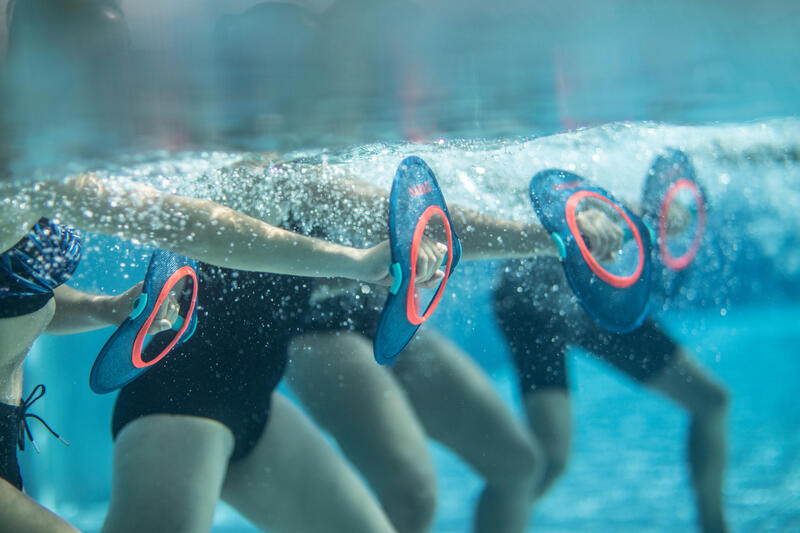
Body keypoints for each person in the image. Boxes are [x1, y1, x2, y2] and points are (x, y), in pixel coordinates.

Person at [101, 155, 624, 533]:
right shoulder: (236, 171)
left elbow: (435, 226)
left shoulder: (295, 174)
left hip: (255, 406)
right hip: (179, 403)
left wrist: (554, 235)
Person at [493, 256, 729, 533]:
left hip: (597, 288)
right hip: (532, 295)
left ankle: (713, 526)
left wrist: (665, 214)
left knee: (711, 401)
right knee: (550, 459)